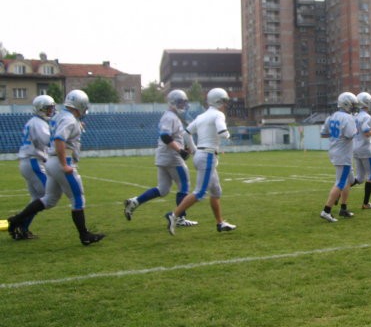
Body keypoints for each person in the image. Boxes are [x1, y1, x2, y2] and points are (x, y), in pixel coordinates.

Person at [7, 90, 105, 245]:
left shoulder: (61, 116)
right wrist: (65, 164)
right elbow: (59, 139)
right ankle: (84, 235)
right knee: (78, 198)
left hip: (50, 161)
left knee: (49, 199)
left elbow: (60, 131)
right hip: (60, 161)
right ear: (79, 105)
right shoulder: (68, 120)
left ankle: (15, 220)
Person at [164, 88, 236, 235]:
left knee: (216, 191)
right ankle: (174, 215)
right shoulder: (218, 114)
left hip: (202, 155)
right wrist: (228, 135)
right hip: (207, 156)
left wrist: (194, 149)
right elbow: (223, 133)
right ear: (219, 101)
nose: (226, 104)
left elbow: (186, 133)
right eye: (225, 101)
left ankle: (220, 223)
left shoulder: (202, 116)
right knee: (200, 193)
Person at [123, 89, 198, 227]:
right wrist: (180, 150)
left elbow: (174, 137)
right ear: (174, 102)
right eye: (181, 102)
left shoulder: (173, 116)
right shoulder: (170, 116)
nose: (183, 105)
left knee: (163, 189)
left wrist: (184, 148)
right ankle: (179, 218)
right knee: (184, 185)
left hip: (164, 156)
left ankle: (135, 202)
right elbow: (165, 136)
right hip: (172, 157)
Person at [10, 95, 57, 240]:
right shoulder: (39, 123)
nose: (51, 111)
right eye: (49, 108)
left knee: (36, 198)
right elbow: (48, 141)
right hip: (33, 162)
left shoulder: (35, 122)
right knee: (48, 196)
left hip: (27, 162)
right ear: (41, 108)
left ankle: (22, 228)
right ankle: (16, 221)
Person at [319, 92, 358, 222]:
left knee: (350, 180)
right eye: (352, 105)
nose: (354, 107)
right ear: (346, 104)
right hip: (343, 154)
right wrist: (355, 126)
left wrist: (336, 136)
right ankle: (326, 210)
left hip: (335, 150)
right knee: (340, 183)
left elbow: (324, 134)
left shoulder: (332, 116)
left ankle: (343, 208)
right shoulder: (348, 118)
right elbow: (350, 135)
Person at [352, 92, 371, 209]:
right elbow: (366, 132)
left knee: (359, 178)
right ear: (366, 102)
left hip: (355, 148)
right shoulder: (366, 116)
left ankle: (339, 191)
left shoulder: (355, 116)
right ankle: (366, 203)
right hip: (364, 148)